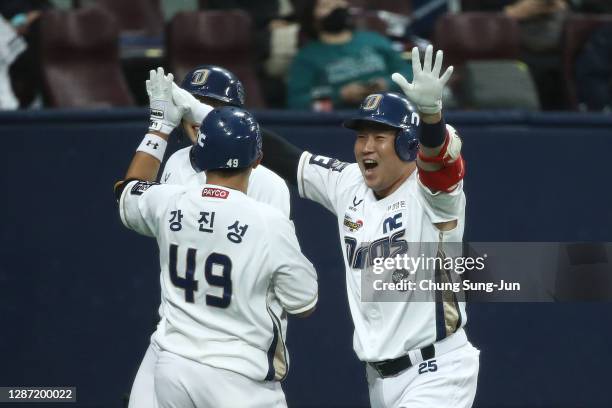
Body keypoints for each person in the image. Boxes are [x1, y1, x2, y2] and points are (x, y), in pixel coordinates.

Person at [265, 45, 480, 406]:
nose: (366, 147)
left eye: (380, 137)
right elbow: (287, 158)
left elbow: (441, 166)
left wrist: (430, 116)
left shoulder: (431, 196)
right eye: (361, 136)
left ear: (409, 145)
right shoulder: (349, 183)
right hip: (380, 378)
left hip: (437, 370)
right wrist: (209, 117)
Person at [115, 70, 318, 407]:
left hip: (235, 336)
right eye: (193, 103)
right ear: (256, 156)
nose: (198, 112)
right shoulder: (178, 167)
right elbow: (304, 300)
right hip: (182, 337)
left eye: (210, 107)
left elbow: (129, 193)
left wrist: (157, 126)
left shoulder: (264, 187)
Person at [287, 0, 413, 110]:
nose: (336, 7)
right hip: (340, 122)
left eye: (338, 2)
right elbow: (297, 102)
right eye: (325, 5)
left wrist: (386, 83)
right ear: (311, 17)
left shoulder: (373, 39)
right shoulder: (306, 57)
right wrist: (339, 95)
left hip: (388, 111)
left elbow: (408, 73)